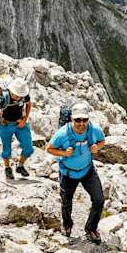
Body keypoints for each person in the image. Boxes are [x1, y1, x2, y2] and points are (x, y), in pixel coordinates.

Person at [46, 102, 106, 243]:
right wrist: (63, 153)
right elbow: (49, 148)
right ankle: (67, 225)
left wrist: (97, 147)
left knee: (99, 200)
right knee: (66, 203)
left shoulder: (94, 129)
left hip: (87, 170)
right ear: (71, 119)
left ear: (88, 119)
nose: (81, 123)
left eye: (84, 120)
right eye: (77, 120)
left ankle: (91, 228)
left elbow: (102, 141)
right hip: (68, 173)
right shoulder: (62, 133)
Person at [0, 78, 34, 180]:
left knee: (29, 148)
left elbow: (29, 104)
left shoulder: (24, 95)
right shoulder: (4, 97)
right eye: (16, 94)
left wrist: (25, 119)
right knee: (7, 149)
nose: (18, 97)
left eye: (20, 95)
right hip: (6, 125)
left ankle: (20, 166)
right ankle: (7, 167)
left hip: (20, 123)